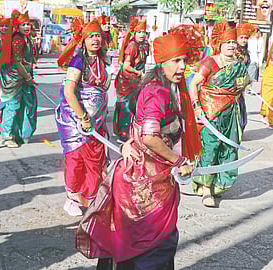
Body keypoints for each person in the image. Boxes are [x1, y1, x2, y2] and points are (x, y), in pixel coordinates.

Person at [75, 31, 202, 270]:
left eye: (184, 60)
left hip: (142, 173)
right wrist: (178, 160)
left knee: (135, 242)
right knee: (154, 243)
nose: (182, 67)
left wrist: (129, 143)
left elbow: (139, 128)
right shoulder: (159, 92)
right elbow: (150, 137)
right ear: (162, 62)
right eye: (176, 61)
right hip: (145, 181)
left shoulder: (159, 85)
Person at [188, 21, 251, 207]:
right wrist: (196, 107)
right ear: (220, 44)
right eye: (228, 42)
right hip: (210, 113)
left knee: (228, 149)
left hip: (231, 112)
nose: (232, 45)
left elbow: (242, 86)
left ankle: (219, 184)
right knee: (210, 149)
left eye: (233, 42)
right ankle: (205, 188)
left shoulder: (239, 65)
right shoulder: (211, 62)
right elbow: (194, 84)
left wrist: (243, 85)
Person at [55, 18, 110, 216]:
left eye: (98, 36)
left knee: (96, 161)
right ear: (84, 40)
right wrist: (84, 117)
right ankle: (72, 198)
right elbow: (69, 92)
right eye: (91, 36)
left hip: (97, 121)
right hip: (76, 123)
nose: (96, 39)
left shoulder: (103, 61)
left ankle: (92, 197)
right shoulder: (78, 61)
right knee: (76, 160)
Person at [0, 10, 37, 148]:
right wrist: (27, 78)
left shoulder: (27, 39)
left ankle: (19, 134)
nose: (27, 27)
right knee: (12, 106)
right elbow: (17, 62)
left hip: (24, 76)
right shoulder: (18, 40)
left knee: (25, 106)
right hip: (14, 78)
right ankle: (7, 136)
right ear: (17, 26)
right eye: (23, 25)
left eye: (28, 24)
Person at [113, 18, 147, 142]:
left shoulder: (143, 45)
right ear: (134, 33)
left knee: (134, 105)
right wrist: (139, 73)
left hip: (136, 80)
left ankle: (130, 131)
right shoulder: (132, 45)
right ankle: (123, 134)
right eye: (139, 32)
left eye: (144, 32)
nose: (142, 34)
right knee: (126, 106)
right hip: (126, 81)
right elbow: (126, 66)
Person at [236, 23, 257, 132]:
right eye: (241, 37)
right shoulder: (233, 51)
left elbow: (246, 70)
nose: (244, 40)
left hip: (241, 86)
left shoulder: (246, 53)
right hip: (232, 86)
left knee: (241, 113)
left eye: (246, 38)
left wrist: (248, 81)